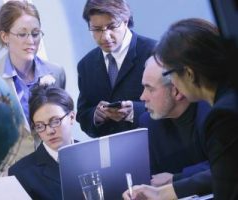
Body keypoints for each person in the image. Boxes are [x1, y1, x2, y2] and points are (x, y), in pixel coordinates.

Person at [123, 18, 238, 200]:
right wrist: (161, 193)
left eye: (171, 74)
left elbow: (225, 180)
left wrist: (167, 189)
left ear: (190, 74)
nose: (173, 83)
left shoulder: (223, 115)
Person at [0, 1, 66, 159]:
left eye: (35, 33)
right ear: (4, 36)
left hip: (54, 167)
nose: (31, 41)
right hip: (11, 174)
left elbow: (63, 122)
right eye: (22, 34)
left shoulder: (56, 72)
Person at [76, 0, 156, 137]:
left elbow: (173, 101)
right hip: (111, 154)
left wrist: (135, 111)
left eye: (112, 26)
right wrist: (96, 116)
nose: (105, 37)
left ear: (125, 21)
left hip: (154, 145)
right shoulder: (85, 65)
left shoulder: (154, 51)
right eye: (96, 29)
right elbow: (83, 115)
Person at [138, 56, 211, 198]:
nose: (142, 97)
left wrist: (177, 178)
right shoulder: (148, 123)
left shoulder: (214, 112)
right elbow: (153, 180)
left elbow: (226, 168)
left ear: (177, 91)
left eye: (150, 89)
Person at [8, 85, 75, 200]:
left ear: (72, 117)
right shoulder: (20, 173)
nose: (49, 131)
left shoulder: (95, 153)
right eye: (39, 126)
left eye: (55, 121)